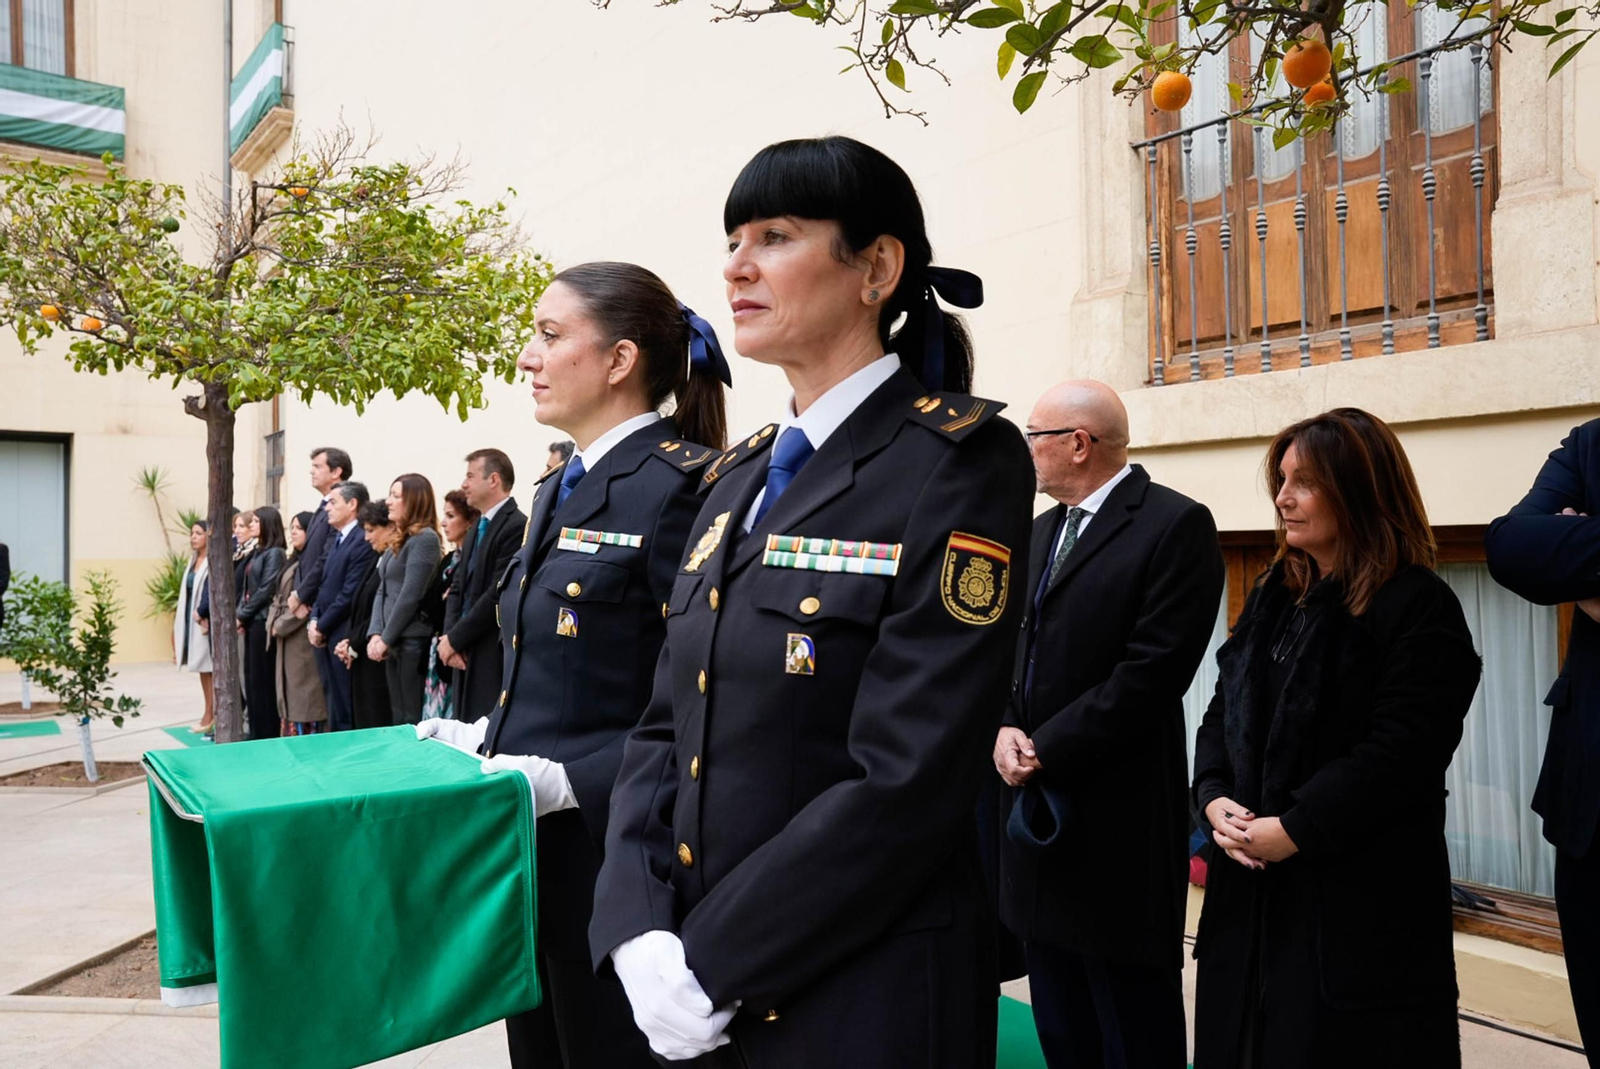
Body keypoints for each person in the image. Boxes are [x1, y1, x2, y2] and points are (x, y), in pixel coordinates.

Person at [588, 136, 1034, 1065]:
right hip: (690, 982)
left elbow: (910, 773)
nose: (735, 266)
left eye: (775, 236)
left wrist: (710, 963)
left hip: (859, 990)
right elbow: (664, 723)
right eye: (733, 240)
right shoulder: (739, 475)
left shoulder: (957, 462)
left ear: (876, 268)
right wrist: (633, 923)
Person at [419, 261, 731, 1069]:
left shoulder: (681, 487)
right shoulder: (561, 485)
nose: (528, 356)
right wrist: (487, 733)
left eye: (550, 335)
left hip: (618, 861)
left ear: (620, 359)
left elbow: (704, 699)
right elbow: (563, 666)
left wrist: (569, 778)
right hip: (533, 858)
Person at [1190, 409, 1481, 1069]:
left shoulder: (1418, 607)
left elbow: (1402, 752)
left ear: (1358, 490)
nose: (1282, 498)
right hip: (1248, 903)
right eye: (1281, 480)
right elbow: (1222, 712)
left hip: (1355, 914)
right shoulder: (1274, 593)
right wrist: (1211, 797)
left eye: (1305, 482)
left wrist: (1297, 827)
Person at [994, 380, 1224, 1069]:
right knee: (1062, 1025)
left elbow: (1152, 673)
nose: (1026, 451)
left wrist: (1045, 747)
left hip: (1118, 831)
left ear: (1078, 443)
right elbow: (1010, 648)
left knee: (1132, 1030)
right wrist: (1003, 727)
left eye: (1034, 436)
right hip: (1038, 827)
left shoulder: (1174, 524)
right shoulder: (1040, 530)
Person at [1485, 416, 1600, 1063]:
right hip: (1591, 818)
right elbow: (1511, 547)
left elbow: (1549, 550)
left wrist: (1578, 560)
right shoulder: (1591, 445)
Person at [438, 449, 525, 722]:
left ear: (493, 479)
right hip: (462, 647)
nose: (464, 484)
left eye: (470, 476)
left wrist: (455, 639)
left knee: (481, 726)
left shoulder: (516, 526)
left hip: (488, 648)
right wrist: (449, 638)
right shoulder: (477, 526)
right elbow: (457, 588)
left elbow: (497, 592)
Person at [368, 475, 442, 725]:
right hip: (393, 639)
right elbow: (383, 588)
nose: (388, 501)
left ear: (414, 501)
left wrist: (385, 638)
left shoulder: (425, 539)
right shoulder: (401, 539)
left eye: (396, 496)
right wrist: (376, 633)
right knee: (397, 713)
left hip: (411, 640)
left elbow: (411, 595)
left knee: (411, 715)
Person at [291, 446, 353, 722]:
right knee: (329, 694)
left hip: (332, 614)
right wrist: (301, 597)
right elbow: (306, 558)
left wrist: (303, 595)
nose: (312, 472)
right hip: (317, 609)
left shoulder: (341, 509)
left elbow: (325, 559)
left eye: (318, 466)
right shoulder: (322, 508)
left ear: (336, 471)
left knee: (340, 699)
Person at [308, 481, 375, 732]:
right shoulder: (338, 538)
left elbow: (349, 592)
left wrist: (321, 626)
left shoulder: (361, 539)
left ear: (352, 504)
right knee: (333, 703)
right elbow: (325, 585)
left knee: (346, 706)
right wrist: (314, 619)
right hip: (326, 632)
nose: (327, 508)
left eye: (333, 502)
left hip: (342, 632)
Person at [269, 512, 327, 736]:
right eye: (291, 527)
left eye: (299, 528)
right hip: (287, 635)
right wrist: (274, 622)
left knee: (305, 697)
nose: (293, 532)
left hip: (301, 638)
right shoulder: (293, 560)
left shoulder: (312, 563)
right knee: (290, 694)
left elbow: (305, 606)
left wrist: (280, 624)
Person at [421, 490, 477, 721]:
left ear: (470, 521)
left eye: (451, 516)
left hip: (460, 648)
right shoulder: (448, 559)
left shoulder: (473, 560)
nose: (443, 523)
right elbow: (428, 604)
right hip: (438, 649)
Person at [338, 501, 393, 730]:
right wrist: (350, 641)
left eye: (371, 530)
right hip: (362, 650)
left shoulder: (392, 561)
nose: (367, 537)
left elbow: (381, 610)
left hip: (377, 655)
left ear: (390, 527)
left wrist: (354, 641)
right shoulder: (376, 558)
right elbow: (361, 605)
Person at [237, 507, 287, 742]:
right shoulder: (258, 551)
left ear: (268, 524)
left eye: (256, 521)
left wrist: (243, 615)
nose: (252, 525)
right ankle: (255, 731)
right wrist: (241, 614)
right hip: (251, 620)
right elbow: (247, 588)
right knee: (251, 679)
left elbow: (266, 589)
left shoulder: (275, 553)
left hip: (262, 622)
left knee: (262, 681)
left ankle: (266, 733)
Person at [173, 522, 214, 733]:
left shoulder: (212, 560)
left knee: (209, 667)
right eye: (192, 533)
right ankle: (207, 710)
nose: (194, 537)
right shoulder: (192, 560)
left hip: (204, 619)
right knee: (201, 668)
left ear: (208, 536)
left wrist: (204, 613)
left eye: (198, 533)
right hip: (191, 617)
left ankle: (211, 713)